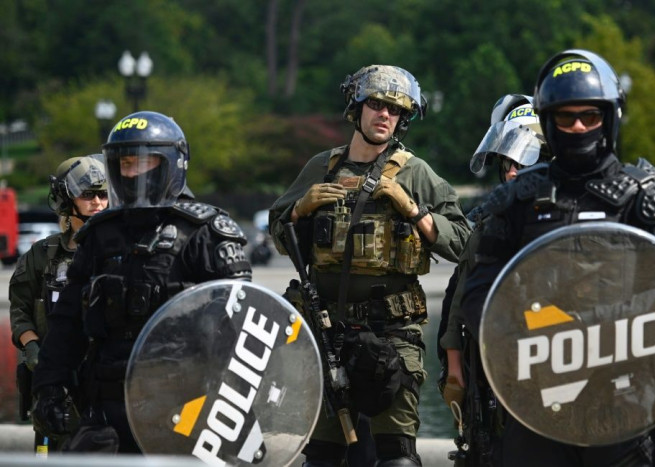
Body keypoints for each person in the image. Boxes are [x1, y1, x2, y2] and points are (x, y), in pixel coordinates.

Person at [460, 49, 655, 466]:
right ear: (548, 122)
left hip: (627, 398)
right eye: (566, 117)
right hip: (538, 398)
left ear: (609, 118)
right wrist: (532, 340)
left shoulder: (649, 200)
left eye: (589, 116)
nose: (577, 127)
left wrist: (589, 333)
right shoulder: (518, 200)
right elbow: (479, 296)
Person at [269, 64, 471, 466]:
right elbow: (278, 236)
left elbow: (464, 242)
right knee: (322, 457)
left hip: (393, 335)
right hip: (327, 337)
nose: (385, 116)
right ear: (356, 108)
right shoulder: (321, 167)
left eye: (395, 111)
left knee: (396, 456)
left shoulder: (415, 173)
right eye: (377, 104)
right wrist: (298, 211)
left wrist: (412, 209)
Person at [30, 110, 252, 453]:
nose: (132, 173)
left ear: (171, 165)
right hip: (107, 406)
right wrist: (49, 386)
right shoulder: (99, 235)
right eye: (125, 164)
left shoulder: (206, 233)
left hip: (186, 405)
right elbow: (67, 322)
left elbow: (243, 332)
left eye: (143, 163)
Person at [436, 95, 548, 464]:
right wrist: (454, 370)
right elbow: (460, 296)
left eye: (525, 161)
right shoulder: (489, 220)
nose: (513, 171)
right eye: (508, 162)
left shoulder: (568, 218)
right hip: (492, 367)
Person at [10, 154, 108, 454]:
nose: (97, 202)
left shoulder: (119, 252)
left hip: (104, 380)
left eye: (103, 194)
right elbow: (20, 310)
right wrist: (33, 349)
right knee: (50, 453)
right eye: (87, 195)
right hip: (55, 384)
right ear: (68, 198)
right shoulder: (42, 255)